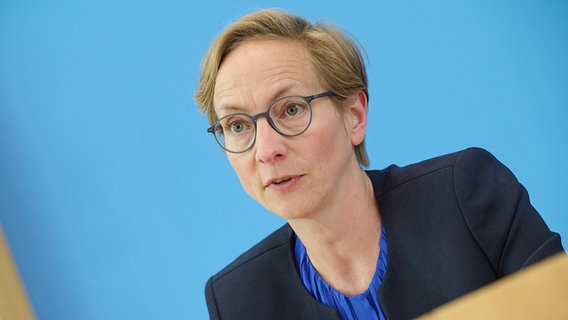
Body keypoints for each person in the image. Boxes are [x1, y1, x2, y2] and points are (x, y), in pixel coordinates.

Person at [194, 9, 564, 320]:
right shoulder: (237, 301)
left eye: (291, 109)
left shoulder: (466, 197)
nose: (266, 150)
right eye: (238, 125)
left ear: (354, 117)